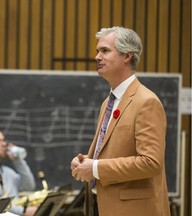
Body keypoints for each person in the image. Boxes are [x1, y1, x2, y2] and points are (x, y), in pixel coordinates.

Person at [70, 26, 170, 216]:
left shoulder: (146, 101)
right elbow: (110, 151)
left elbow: (151, 162)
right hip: (102, 206)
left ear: (127, 56)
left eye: (105, 51)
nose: (97, 57)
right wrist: (85, 163)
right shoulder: (108, 102)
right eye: (97, 51)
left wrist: (96, 168)